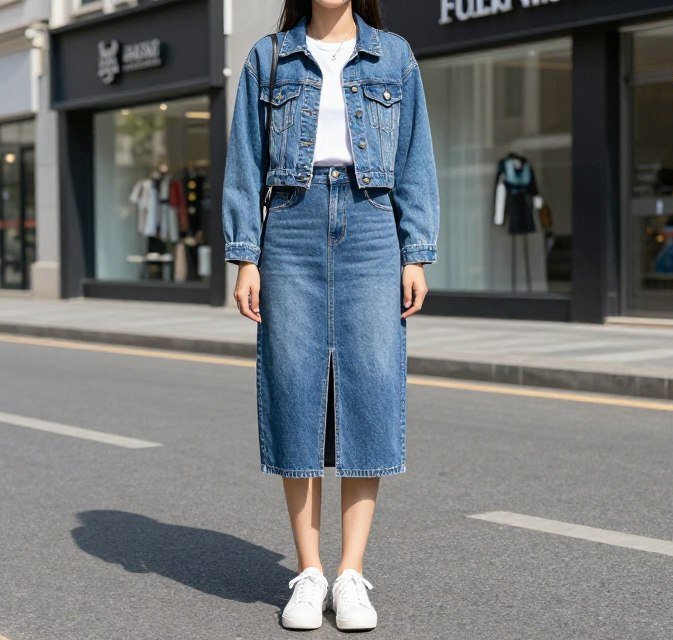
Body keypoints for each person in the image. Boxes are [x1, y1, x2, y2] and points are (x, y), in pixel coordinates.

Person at [221, 0, 439, 631]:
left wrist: (416, 252)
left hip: (373, 227)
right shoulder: (268, 56)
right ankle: (310, 572)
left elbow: (415, 158)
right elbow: (244, 162)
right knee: (295, 389)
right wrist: (245, 255)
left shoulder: (394, 54)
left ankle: (351, 575)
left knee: (370, 388)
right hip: (289, 223)